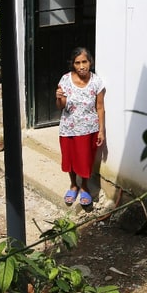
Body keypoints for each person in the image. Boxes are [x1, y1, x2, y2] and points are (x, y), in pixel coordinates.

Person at [55, 47, 106, 206]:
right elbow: (61, 106)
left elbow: (100, 107)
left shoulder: (96, 82)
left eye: (84, 62)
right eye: (77, 63)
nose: (81, 66)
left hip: (88, 129)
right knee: (69, 158)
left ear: (90, 62)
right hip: (68, 127)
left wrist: (101, 130)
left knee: (85, 159)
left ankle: (84, 186)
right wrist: (58, 98)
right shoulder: (65, 80)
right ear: (73, 64)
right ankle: (73, 185)